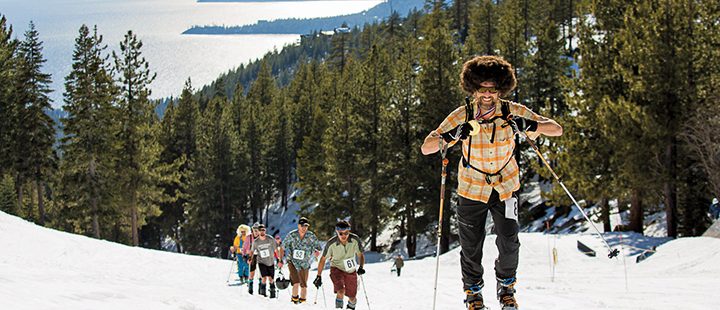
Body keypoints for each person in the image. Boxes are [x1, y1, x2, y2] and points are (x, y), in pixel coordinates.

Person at [421, 55, 563, 310]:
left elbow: (556, 129)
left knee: (510, 242)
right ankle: (473, 294)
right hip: (471, 189)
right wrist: (452, 135)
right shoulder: (462, 114)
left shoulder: (511, 111)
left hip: (505, 188)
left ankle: (506, 289)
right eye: (482, 89)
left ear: (501, 89)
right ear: (473, 88)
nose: (487, 94)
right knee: (471, 245)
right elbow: (427, 147)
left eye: (492, 89)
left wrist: (530, 124)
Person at [314, 220, 365, 309]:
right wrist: (318, 276)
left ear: (349, 231)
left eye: (346, 233)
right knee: (341, 291)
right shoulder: (331, 243)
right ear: (337, 232)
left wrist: (361, 267)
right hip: (336, 269)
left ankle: (350, 307)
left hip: (350, 270)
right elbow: (323, 259)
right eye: (341, 233)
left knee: (352, 298)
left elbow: (360, 255)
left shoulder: (355, 240)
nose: (344, 236)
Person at [280, 217, 324, 304]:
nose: (304, 228)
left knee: (304, 285)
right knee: (296, 283)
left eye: (306, 226)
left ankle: (303, 303)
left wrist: (316, 252)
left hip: (305, 263)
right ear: (298, 226)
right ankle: (294, 301)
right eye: (302, 226)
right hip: (292, 262)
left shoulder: (311, 236)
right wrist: (280, 260)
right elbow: (282, 247)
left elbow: (318, 247)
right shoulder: (292, 235)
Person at [249, 224, 283, 298]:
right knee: (264, 278)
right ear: (258, 231)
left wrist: (279, 260)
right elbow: (252, 251)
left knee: (271, 279)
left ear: (265, 231)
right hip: (261, 261)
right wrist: (250, 258)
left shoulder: (270, 239)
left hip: (270, 261)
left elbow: (276, 250)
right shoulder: (256, 242)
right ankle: (263, 294)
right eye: (260, 230)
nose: (262, 232)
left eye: (263, 230)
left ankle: (272, 294)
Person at [244, 223, 260, 294]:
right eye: (255, 230)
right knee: (252, 272)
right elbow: (244, 248)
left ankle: (261, 289)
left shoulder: (262, 237)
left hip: (260, 256)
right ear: (252, 230)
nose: (256, 232)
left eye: (257, 230)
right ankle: (250, 288)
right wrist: (245, 256)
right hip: (252, 256)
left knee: (261, 272)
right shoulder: (249, 237)